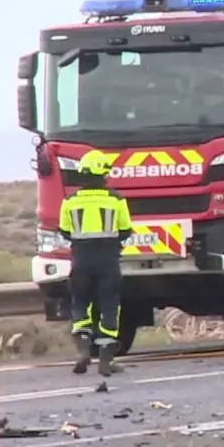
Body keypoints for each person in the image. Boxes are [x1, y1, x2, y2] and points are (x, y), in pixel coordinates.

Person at [58, 149, 133, 376]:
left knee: (80, 302)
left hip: (81, 260)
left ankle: (83, 350)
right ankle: (106, 360)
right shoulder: (116, 199)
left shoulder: (70, 201)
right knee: (109, 305)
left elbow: (64, 231)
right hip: (108, 260)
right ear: (103, 174)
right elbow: (125, 230)